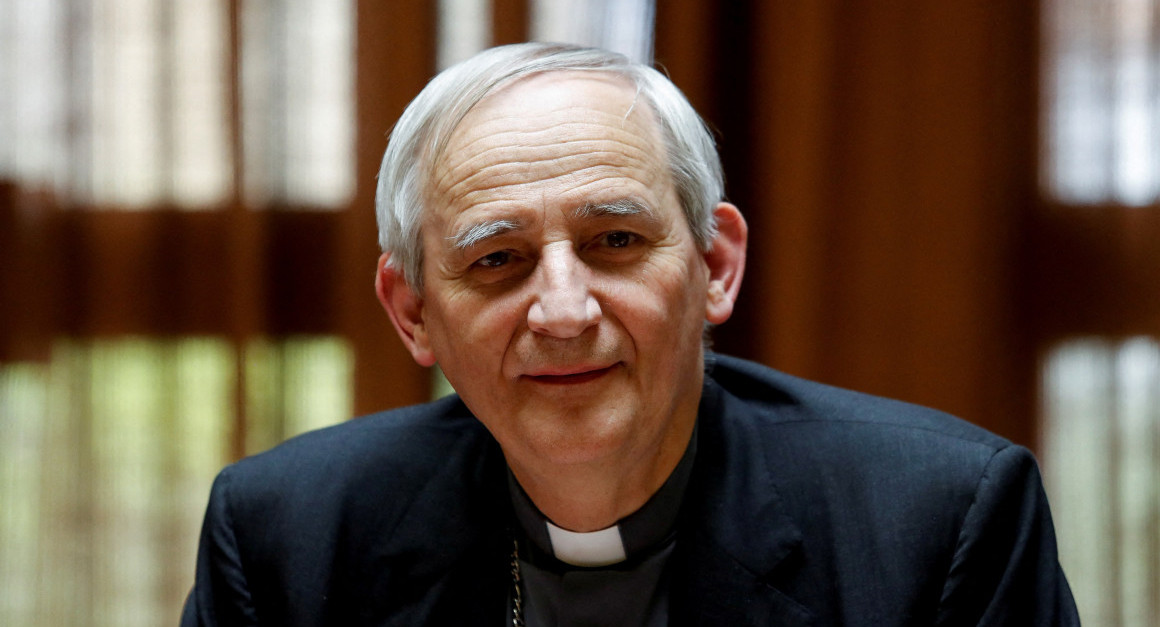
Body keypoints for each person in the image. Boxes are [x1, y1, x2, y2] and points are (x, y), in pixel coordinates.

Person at [182, 43, 1079, 626]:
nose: (564, 312)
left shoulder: (941, 521)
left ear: (715, 266)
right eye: (497, 259)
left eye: (616, 241)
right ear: (413, 311)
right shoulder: (288, 539)